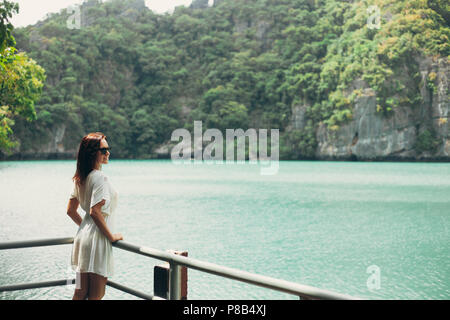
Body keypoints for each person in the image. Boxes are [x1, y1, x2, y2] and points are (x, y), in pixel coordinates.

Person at [66, 132, 123, 300]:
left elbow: (70, 211)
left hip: (82, 239)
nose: (108, 153)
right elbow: (95, 211)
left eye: (108, 149)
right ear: (93, 153)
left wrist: (87, 229)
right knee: (96, 296)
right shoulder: (100, 177)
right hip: (98, 241)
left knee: (79, 292)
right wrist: (111, 236)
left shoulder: (80, 178)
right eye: (104, 150)